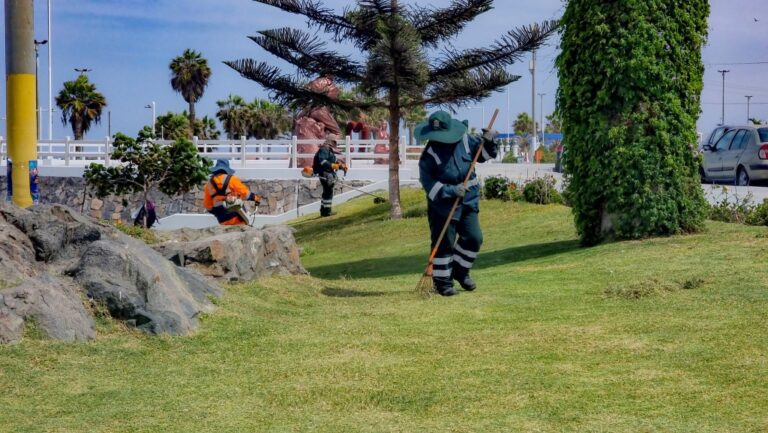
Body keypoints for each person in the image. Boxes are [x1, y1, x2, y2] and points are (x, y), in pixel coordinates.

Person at [416, 111, 499, 296]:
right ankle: (443, 283)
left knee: (474, 238)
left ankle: (460, 273)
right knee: (444, 244)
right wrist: (451, 190)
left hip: (469, 200)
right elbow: (430, 186)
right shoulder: (428, 155)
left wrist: (489, 140)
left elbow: (484, 154)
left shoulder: (465, 141)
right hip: (442, 207)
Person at [203, 159, 262, 225]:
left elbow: (208, 206)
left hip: (222, 220)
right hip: (237, 218)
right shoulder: (231, 179)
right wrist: (256, 198)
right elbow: (245, 193)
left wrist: (219, 211)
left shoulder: (208, 185)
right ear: (226, 169)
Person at [312, 133, 347, 217]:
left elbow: (331, 162)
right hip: (325, 173)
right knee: (328, 191)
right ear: (331, 141)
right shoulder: (324, 149)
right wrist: (333, 165)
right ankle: (327, 212)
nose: (335, 144)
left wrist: (340, 166)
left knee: (327, 191)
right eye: (334, 142)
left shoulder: (328, 150)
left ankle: (324, 211)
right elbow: (322, 161)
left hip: (328, 172)